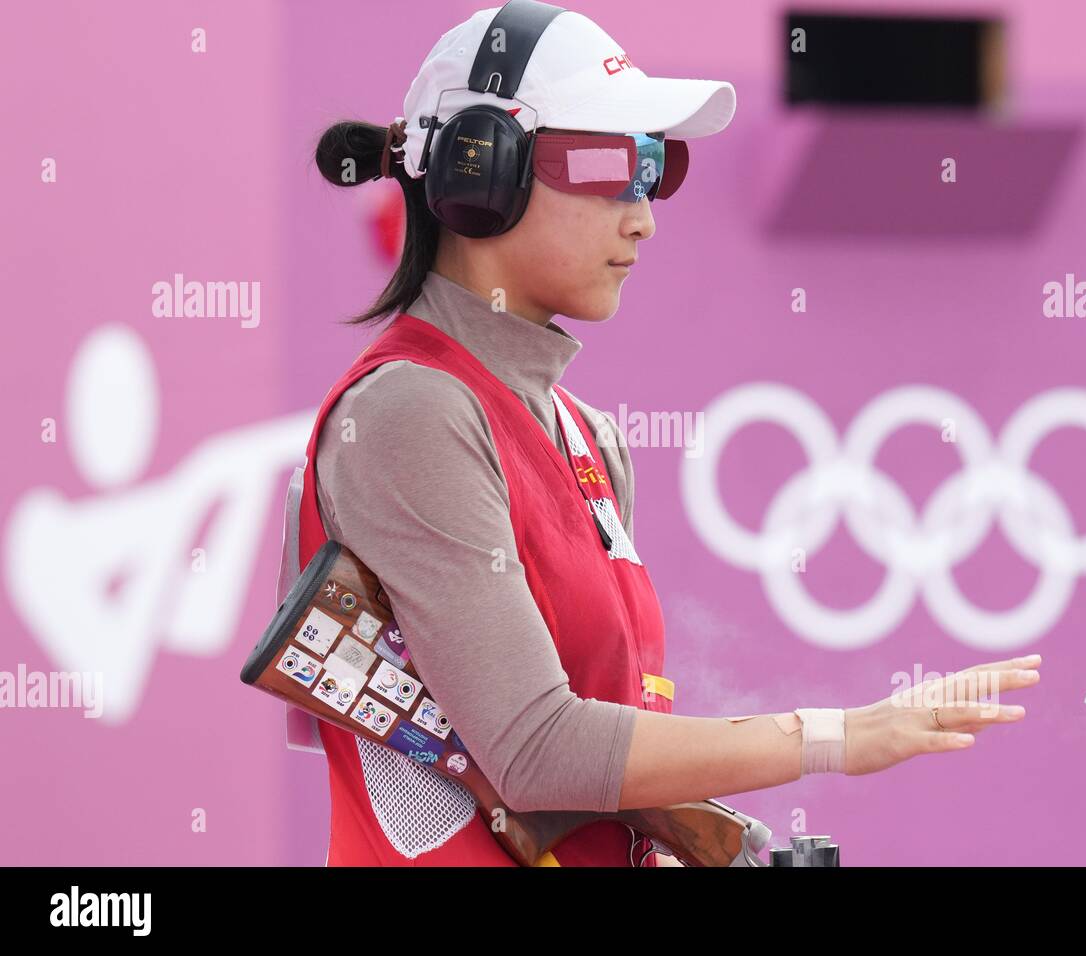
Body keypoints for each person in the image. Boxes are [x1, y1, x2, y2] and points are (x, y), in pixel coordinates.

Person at [296, 1, 1040, 867]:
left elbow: (607, 753)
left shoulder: (586, 434)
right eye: (614, 167)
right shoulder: (411, 412)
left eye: (657, 169)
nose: (643, 215)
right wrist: (835, 736)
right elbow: (538, 750)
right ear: (481, 173)